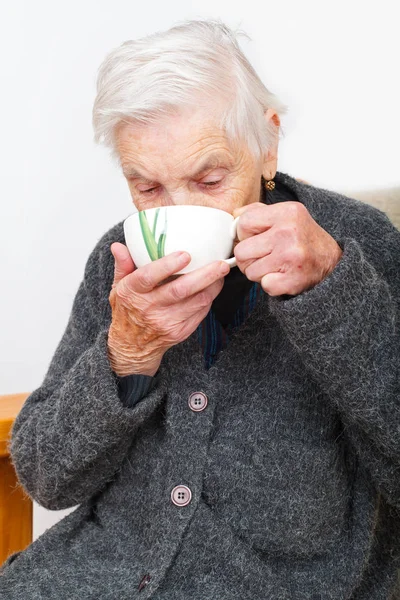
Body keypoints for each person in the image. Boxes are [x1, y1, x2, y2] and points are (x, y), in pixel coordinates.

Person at [1, 18, 400, 600]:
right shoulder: (119, 257)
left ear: (267, 144)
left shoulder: (360, 244)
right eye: (147, 188)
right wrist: (127, 352)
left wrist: (331, 293)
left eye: (209, 179)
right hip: (91, 578)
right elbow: (45, 477)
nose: (177, 211)